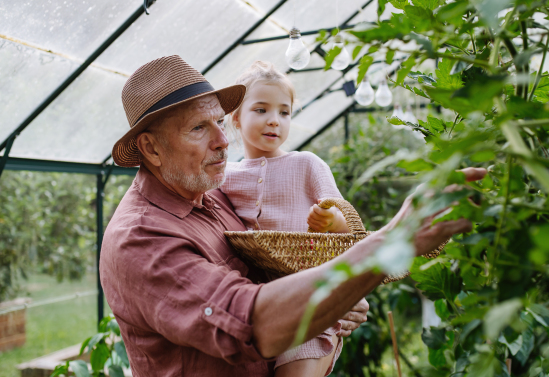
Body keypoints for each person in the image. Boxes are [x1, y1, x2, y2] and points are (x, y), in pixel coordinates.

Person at [100, 55, 486, 377]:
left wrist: (335, 302)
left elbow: (274, 282)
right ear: (150, 148)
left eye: (219, 121)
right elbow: (255, 323)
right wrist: (385, 245)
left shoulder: (211, 196)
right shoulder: (141, 238)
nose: (221, 140)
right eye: (199, 128)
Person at [220, 61, 349, 376]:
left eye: (284, 112)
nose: (274, 121)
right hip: (262, 312)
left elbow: (350, 228)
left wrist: (331, 221)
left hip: (311, 307)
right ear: (236, 118)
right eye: (261, 110)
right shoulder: (226, 176)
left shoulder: (307, 165)